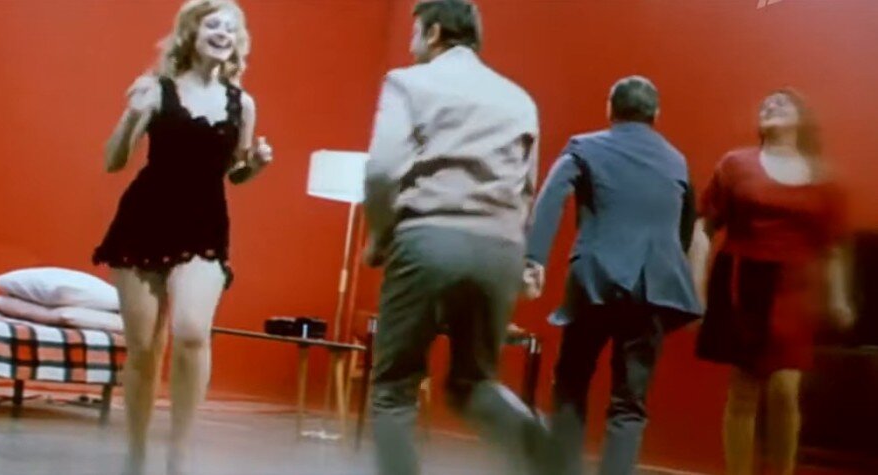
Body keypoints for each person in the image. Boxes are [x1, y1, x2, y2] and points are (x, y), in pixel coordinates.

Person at [363, 1, 545, 473]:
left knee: (394, 387)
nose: (411, 45)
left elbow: (382, 170)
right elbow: (526, 187)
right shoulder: (519, 100)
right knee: (473, 384)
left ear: (434, 32)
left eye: (415, 33)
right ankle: (545, 451)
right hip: (499, 247)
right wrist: (517, 258)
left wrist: (380, 235)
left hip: (429, 236)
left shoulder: (408, 83)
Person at [92, 1, 272, 474]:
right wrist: (132, 116)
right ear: (192, 32)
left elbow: (235, 173)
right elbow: (113, 161)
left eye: (231, 28)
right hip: (144, 218)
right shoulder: (157, 89)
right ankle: (136, 454)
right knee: (144, 348)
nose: (223, 33)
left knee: (192, 332)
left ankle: (180, 453)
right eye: (213, 24)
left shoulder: (242, 103)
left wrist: (254, 166)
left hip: (203, 223)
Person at [523, 76, 702, 475]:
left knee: (572, 381)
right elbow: (686, 226)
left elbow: (551, 198)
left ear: (610, 108)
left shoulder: (585, 147)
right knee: (629, 403)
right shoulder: (676, 160)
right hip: (654, 287)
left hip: (597, 280)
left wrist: (534, 259)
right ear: (656, 114)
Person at [688, 89, 853, 475]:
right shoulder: (736, 165)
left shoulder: (822, 178)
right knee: (744, 390)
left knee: (784, 391)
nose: (770, 105)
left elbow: (833, 246)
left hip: (794, 290)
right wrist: (696, 283)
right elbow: (704, 226)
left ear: (801, 119)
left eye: (782, 102)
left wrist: (839, 297)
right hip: (743, 282)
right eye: (765, 104)